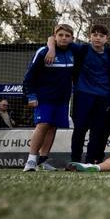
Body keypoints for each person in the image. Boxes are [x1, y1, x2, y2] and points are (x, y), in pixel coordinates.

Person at [48, 23, 110, 164]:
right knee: (80, 129)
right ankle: (75, 160)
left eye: (101, 36)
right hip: (83, 94)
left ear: (106, 39)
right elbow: (51, 38)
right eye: (94, 35)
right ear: (90, 37)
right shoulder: (82, 49)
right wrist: (51, 49)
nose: (97, 38)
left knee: (97, 131)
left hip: (103, 97)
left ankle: (90, 161)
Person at [22, 24, 76, 171]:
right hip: (44, 98)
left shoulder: (74, 51)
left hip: (63, 99)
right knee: (43, 125)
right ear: (55, 36)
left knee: (52, 128)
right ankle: (31, 160)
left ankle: (43, 161)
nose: (64, 38)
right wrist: (31, 95)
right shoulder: (44, 51)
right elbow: (29, 77)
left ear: (72, 38)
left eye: (67, 36)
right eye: (61, 35)